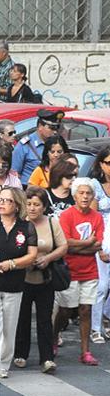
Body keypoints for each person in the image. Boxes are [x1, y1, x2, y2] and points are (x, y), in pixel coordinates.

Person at [0, 187, 38, 378]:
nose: (2, 204)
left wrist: (12, 264)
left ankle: (4, 363)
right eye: (0, 200)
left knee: (9, 327)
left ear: (17, 204)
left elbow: (32, 256)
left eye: (7, 201)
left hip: (15, 285)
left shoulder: (26, 227)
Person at [13, 186, 67, 373]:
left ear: (44, 207)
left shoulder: (52, 223)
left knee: (45, 319)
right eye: (29, 204)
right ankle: (20, 354)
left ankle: (47, 358)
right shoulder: (20, 223)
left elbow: (63, 246)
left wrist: (47, 258)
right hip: (22, 278)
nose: (32, 208)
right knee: (22, 317)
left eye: (37, 204)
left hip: (45, 278)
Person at [54, 180, 106, 365]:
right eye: (81, 193)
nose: (85, 196)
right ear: (75, 195)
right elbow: (65, 243)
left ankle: (85, 351)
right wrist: (86, 243)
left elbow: (97, 245)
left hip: (90, 270)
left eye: (88, 193)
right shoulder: (67, 215)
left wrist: (79, 246)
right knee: (66, 309)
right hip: (69, 270)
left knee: (86, 309)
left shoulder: (97, 217)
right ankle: (54, 336)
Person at [89, 146, 110, 344]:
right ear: (101, 164)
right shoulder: (95, 186)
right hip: (102, 238)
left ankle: (107, 317)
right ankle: (95, 328)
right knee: (101, 286)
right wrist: (100, 247)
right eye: (109, 163)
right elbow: (94, 219)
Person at [12, 109, 64, 185]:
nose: (55, 132)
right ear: (40, 126)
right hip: (29, 190)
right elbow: (14, 173)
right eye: (51, 128)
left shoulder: (57, 145)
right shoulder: (25, 145)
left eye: (57, 128)